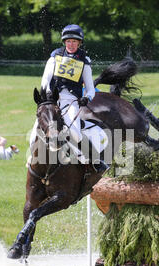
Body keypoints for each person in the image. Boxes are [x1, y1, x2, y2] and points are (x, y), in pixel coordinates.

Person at [38, 24, 108, 173]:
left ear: (79, 43)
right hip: (52, 100)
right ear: (64, 42)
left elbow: (90, 88)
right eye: (68, 41)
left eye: (74, 42)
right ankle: (33, 158)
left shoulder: (84, 60)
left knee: (75, 133)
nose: (71, 44)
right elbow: (45, 79)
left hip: (71, 101)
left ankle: (95, 160)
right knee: (38, 128)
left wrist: (87, 98)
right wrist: (48, 93)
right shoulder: (55, 55)